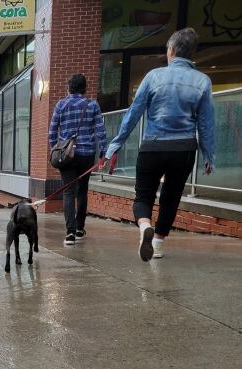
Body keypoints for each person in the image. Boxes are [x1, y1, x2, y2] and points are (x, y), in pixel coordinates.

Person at [105, 28, 214, 262]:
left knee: (143, 197)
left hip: (152, 147)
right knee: (171, 198)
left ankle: (145, 225)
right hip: (184, 149)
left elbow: (133, 115)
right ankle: (158, 243)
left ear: (171, 51)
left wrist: (115, 146)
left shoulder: (153, 76)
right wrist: (208, 155)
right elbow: (206, 124)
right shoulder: (203, 81)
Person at [48, 74, 107, 246]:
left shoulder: (61, 104)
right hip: (86, 154)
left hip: (66, 155)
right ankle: (80, 228)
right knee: (82, 190)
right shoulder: (92, 105)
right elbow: (100, 131)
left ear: (69, 88)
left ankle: (70, 234)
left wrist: (56, 149)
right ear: (85, 88)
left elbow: (52, 132)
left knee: (68, 192)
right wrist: (103, 152)